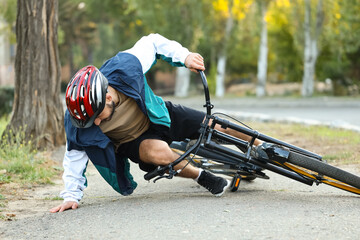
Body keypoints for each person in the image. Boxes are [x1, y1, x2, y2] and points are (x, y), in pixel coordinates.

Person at [50, 33, 261, 213]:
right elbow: (74, 157)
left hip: (158, 115)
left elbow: (152, 42)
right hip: (134, 141)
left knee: (216, 125)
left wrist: (185, 57)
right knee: (159, 152)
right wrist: (71, 196)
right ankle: (201, 176)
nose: (95, 123)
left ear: (107, 97)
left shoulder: (124, 68)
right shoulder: (78, 119)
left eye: (97, 115)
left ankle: (262, 145)